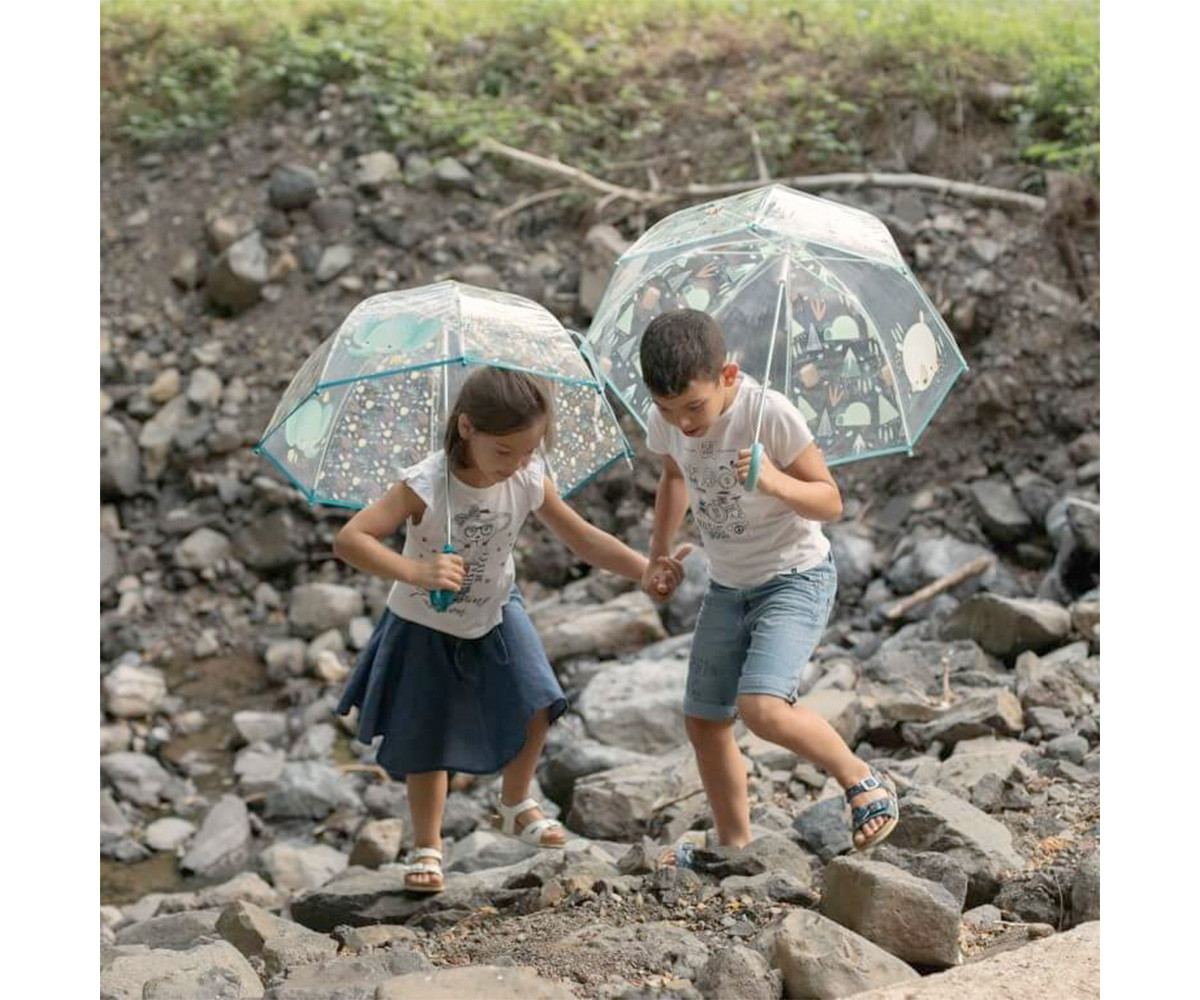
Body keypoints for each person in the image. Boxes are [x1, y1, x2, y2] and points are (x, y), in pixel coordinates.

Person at [333, 366, 686, 893]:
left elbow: (581, 537)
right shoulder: (426, 485)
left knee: (539, 699)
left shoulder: (525, 474)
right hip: (424, 621)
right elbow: (351, 538)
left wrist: (643, 569)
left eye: (529, 450)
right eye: (505, 451)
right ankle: (427, 845)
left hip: (497, 607)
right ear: (468, 428)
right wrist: (415, 571)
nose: (517, 464)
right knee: (432, 737)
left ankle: (514, 801)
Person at [636, 309, 899, 863]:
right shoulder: (670, 421)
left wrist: (772, 479)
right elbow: (675, 476)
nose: (683, 423)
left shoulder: (769, 414)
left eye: (694, 408)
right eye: (668, 411)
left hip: (794, 576)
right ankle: (735, 847)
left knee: (762, 707)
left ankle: (862, 780)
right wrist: (660, 552)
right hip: (729, 586)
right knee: (705, 720)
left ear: (727, 377)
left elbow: (830, 500)